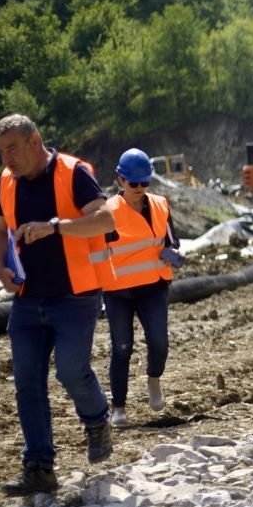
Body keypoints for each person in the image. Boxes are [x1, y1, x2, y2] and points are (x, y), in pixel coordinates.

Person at [0, 114, 116, 496]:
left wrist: (55, 226)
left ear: (34, 140)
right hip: (28, 300)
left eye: (12, 148)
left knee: (70, 370)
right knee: (27, 383)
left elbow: (105, 218)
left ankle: (96, 419)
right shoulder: (7, 183)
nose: (7, 158)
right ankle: (39, 468)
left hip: (75, 297)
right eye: (0, 151)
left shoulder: (74, 172)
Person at [100, 149, 181, 428]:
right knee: (122, 348)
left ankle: (154, 380)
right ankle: (118, 407)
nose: (139, 189)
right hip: (119, 291)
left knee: (159, 342)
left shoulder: (160, 204)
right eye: (133, 183)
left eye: (144, 183)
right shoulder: (107, 212)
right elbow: (99, 253)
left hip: (154, 286)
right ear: (121, 181)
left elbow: (171, 241)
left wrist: (171, 253)